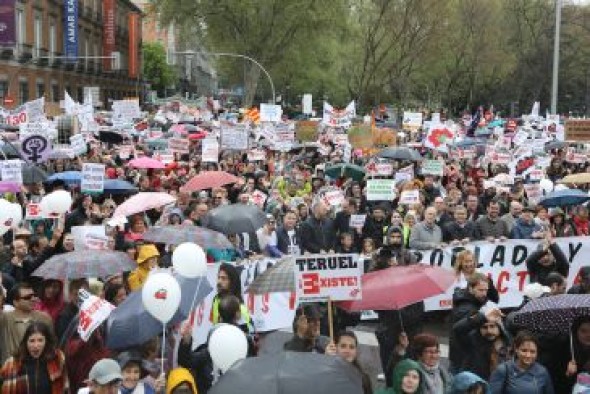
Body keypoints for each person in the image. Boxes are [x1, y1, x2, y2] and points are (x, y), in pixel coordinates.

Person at [0, 321, 68, 394]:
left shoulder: (57, 358)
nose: (36, 345)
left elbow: (65, 386)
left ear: (46, 341)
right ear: (26, 342)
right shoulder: (12, 363)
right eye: (32, 341)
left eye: (40, 340)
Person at [0, 282, 53, 364]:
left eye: (33, 295)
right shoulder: (5, 318)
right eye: (27, 297)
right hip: (11, 370)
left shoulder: (44, 318)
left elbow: (51, 344)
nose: (32, 299)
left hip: (38, 368)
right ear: (15, 302)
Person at [452, 308, 511, 379]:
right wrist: (483, 317)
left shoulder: (509, 343)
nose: (489, 331)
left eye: (492, 326)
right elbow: (457, 329)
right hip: (478, 387)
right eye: (484, 327)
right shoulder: (472, 343)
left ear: (500, 328)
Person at [450, 273, 492, 371]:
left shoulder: (474, 303)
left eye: (486, 290)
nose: (484, 293)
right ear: (470, 289)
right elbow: (461, 331)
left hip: (465, 359)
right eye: (480, 290)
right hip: (463, 361)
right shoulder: (466, 308)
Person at [489, 331, 554, 394]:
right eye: (524, 351)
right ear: (516, 349)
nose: (528, 355)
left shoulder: (542, 371)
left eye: (532, 352)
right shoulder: (503, 370)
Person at [211, 263, 251, 331]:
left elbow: (245, 335)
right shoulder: (216, 299)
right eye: (219, 277)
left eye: (223, 278)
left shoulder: (240, 308)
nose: (219, 281)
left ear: (232, 281)